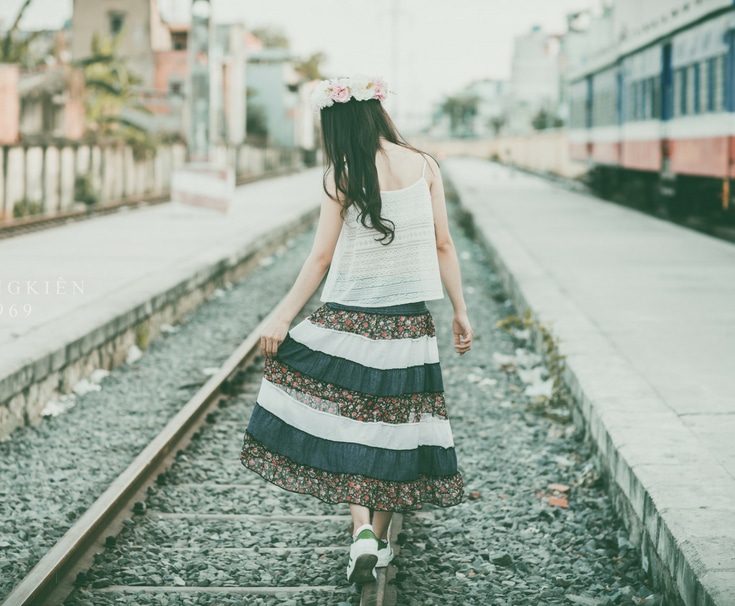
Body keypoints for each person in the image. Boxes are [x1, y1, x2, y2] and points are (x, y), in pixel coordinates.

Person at [239, 75, 473, 585]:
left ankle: (361, 530)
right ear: (378, 113)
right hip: (408, 324)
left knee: (350, 422)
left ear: (339, 123)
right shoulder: (426, 165)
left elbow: (320, 257)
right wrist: (460, 310)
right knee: (395, 430)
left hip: (348, 319)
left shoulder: (342, 172)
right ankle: (379, 540)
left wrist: (282, 318)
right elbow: (444, 246)